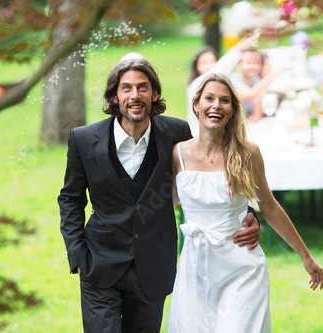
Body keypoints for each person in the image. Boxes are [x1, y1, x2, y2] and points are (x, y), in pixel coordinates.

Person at [58, 58, 261, 333]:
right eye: (126, 88)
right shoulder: (83, 139)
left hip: (153, 266)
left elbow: (202, 180)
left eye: (143, 87)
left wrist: (245, 214)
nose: (135, 95)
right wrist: (78, 255)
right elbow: (70, 198)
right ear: (115, 96)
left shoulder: (175, 133)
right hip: (99, 264)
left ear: (154, 94)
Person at [167, 73, 323, 332]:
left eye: (225, 100)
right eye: (209, 98)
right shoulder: (178, 154)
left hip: (241, 267)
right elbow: (167, 202)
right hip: (195, 269)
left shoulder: (247, 153)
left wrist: (306, 257)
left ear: (232, 110)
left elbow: (270, 206)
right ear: (196, 105)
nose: (216, 105)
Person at [187, 36, 257, 137]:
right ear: (196, 67)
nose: (209, 66)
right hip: (199, 136)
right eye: (203, 63)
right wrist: (237, 50)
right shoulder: (195, 86)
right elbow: (218, 70)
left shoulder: (222, 85)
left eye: (212, 62)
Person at [229, 48, 291, 122]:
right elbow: (250, 95)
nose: (254, 66)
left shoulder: (256, 81)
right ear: (238, 65)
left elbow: (257, 114)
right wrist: (276, 72)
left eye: (257, 62)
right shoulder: (233, 80)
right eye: (249, 63)